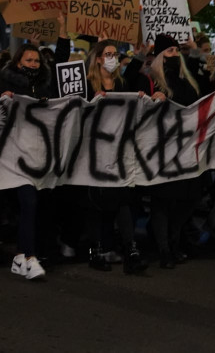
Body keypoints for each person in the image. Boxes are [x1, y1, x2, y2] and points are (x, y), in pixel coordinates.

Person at [136, 34, 201, 268]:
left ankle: (172, 241)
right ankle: (165, 250)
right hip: (159, 150)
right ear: (160, 56)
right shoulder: (150, 80)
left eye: (176, 51)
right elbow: (137, 101)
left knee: (187, 198)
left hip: (184, 148)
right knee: (162, 200)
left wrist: (194, 52)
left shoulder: (187, 81)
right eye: (169, 52)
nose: (174, 55)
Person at [83, 39, 147, 274]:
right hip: (92, 152)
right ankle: (95, 251)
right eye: (107, 54)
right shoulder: (88, 85)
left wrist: (142, 99)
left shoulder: (122, 84)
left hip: (117, 151)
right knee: (95, 202)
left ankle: (131, 251)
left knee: (122, 199)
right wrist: (91, 103)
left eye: (115, 54)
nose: (112, 58)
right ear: (98, 58)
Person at [0, 44, 54, 280]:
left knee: (31, 206)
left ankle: (20, 256)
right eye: (28, 60)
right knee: (28, 202)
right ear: (18, 62)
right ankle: (30, 258)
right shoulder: (6, 85)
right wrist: (3, 101)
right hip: (15, 155)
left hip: (39, 154)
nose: (33, 64)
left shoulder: (46, 86)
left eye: (36, 61)